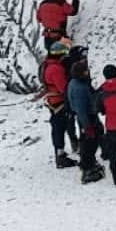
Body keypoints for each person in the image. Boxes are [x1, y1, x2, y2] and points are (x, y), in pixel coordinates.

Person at [66, 50, 105, 185]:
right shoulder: (80, 88)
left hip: (86, 117)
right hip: (87, 118)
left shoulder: (75, 83)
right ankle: (88, 170)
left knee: (94, 137)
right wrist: (87, 126)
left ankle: (89, 162)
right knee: (90, 142)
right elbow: (82, 109)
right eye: (85, 71)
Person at [39, 39, 78, 169]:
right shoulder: (56, 69)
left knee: (59, 126)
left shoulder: (47, 65)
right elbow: (64, 88)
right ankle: (60, 155)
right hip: (59, 102)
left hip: (53, 101)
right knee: (61, 126)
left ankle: (61, 152)